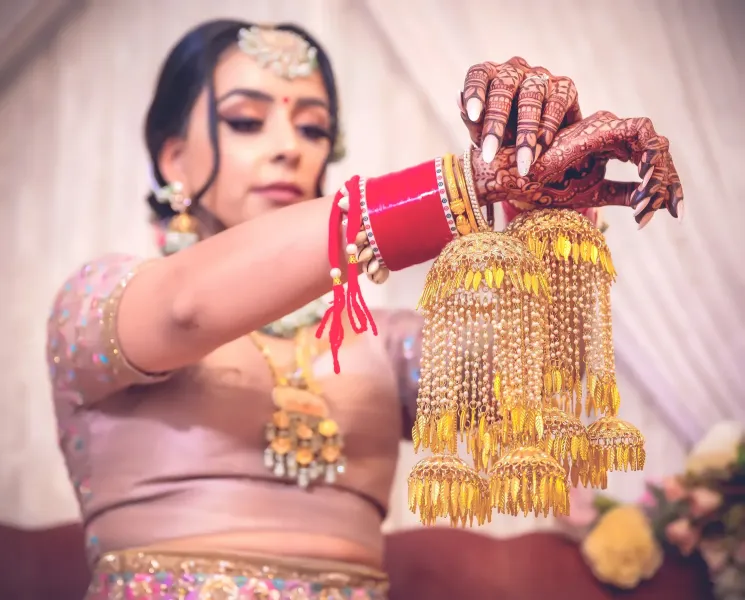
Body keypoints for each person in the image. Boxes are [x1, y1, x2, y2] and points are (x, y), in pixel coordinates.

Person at [46, 18, 684, 600]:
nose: (288, 148)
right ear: (172, 157)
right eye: (246, 120)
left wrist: (553, 210)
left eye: (313, 127)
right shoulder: (100, 297)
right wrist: (456, 190)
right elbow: (186, 309)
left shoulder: (376, 343)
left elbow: (531, 381)